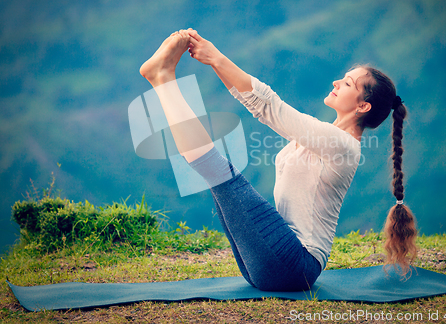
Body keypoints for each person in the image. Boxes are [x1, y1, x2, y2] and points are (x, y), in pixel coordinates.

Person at [139, 29, 417, 292]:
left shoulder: (343, 146)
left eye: (347, 84)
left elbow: (270, 106)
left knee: (219, 173)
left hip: (296, 265)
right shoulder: (325, 137)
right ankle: (162, 78)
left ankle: (163, 79)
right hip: (274, 264)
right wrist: (213, 62)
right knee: (217, 177)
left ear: (362, 106)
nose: (336, 82)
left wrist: (215, 57)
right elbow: (257, 104)